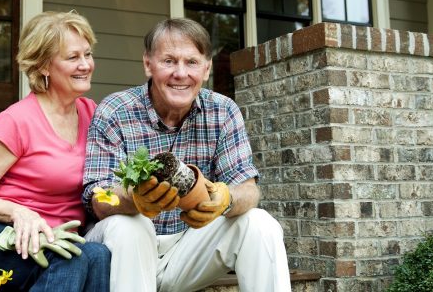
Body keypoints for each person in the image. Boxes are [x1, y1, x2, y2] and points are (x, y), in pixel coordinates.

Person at [82, 18, 291, 292]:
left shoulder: (223, 111)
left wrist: (225, 199)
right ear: (148, 64)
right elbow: (98, 197)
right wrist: (133, 198)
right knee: (130, 227)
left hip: (188, 247)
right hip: (121, 250)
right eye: (168, 61)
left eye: (191, 62)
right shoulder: (115, 110)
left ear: (206, 68)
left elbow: (248, 190)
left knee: (260, 223)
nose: (180, 73)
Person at [0, 11, 110, 292]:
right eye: (72, 57)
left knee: (99, 255)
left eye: (87, 54)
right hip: (0, 234)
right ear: (44, 66)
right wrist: (19, 213)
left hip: (59, 238)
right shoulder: (16, 120)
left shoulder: (93, 114)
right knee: (70, 259)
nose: (85, 65)